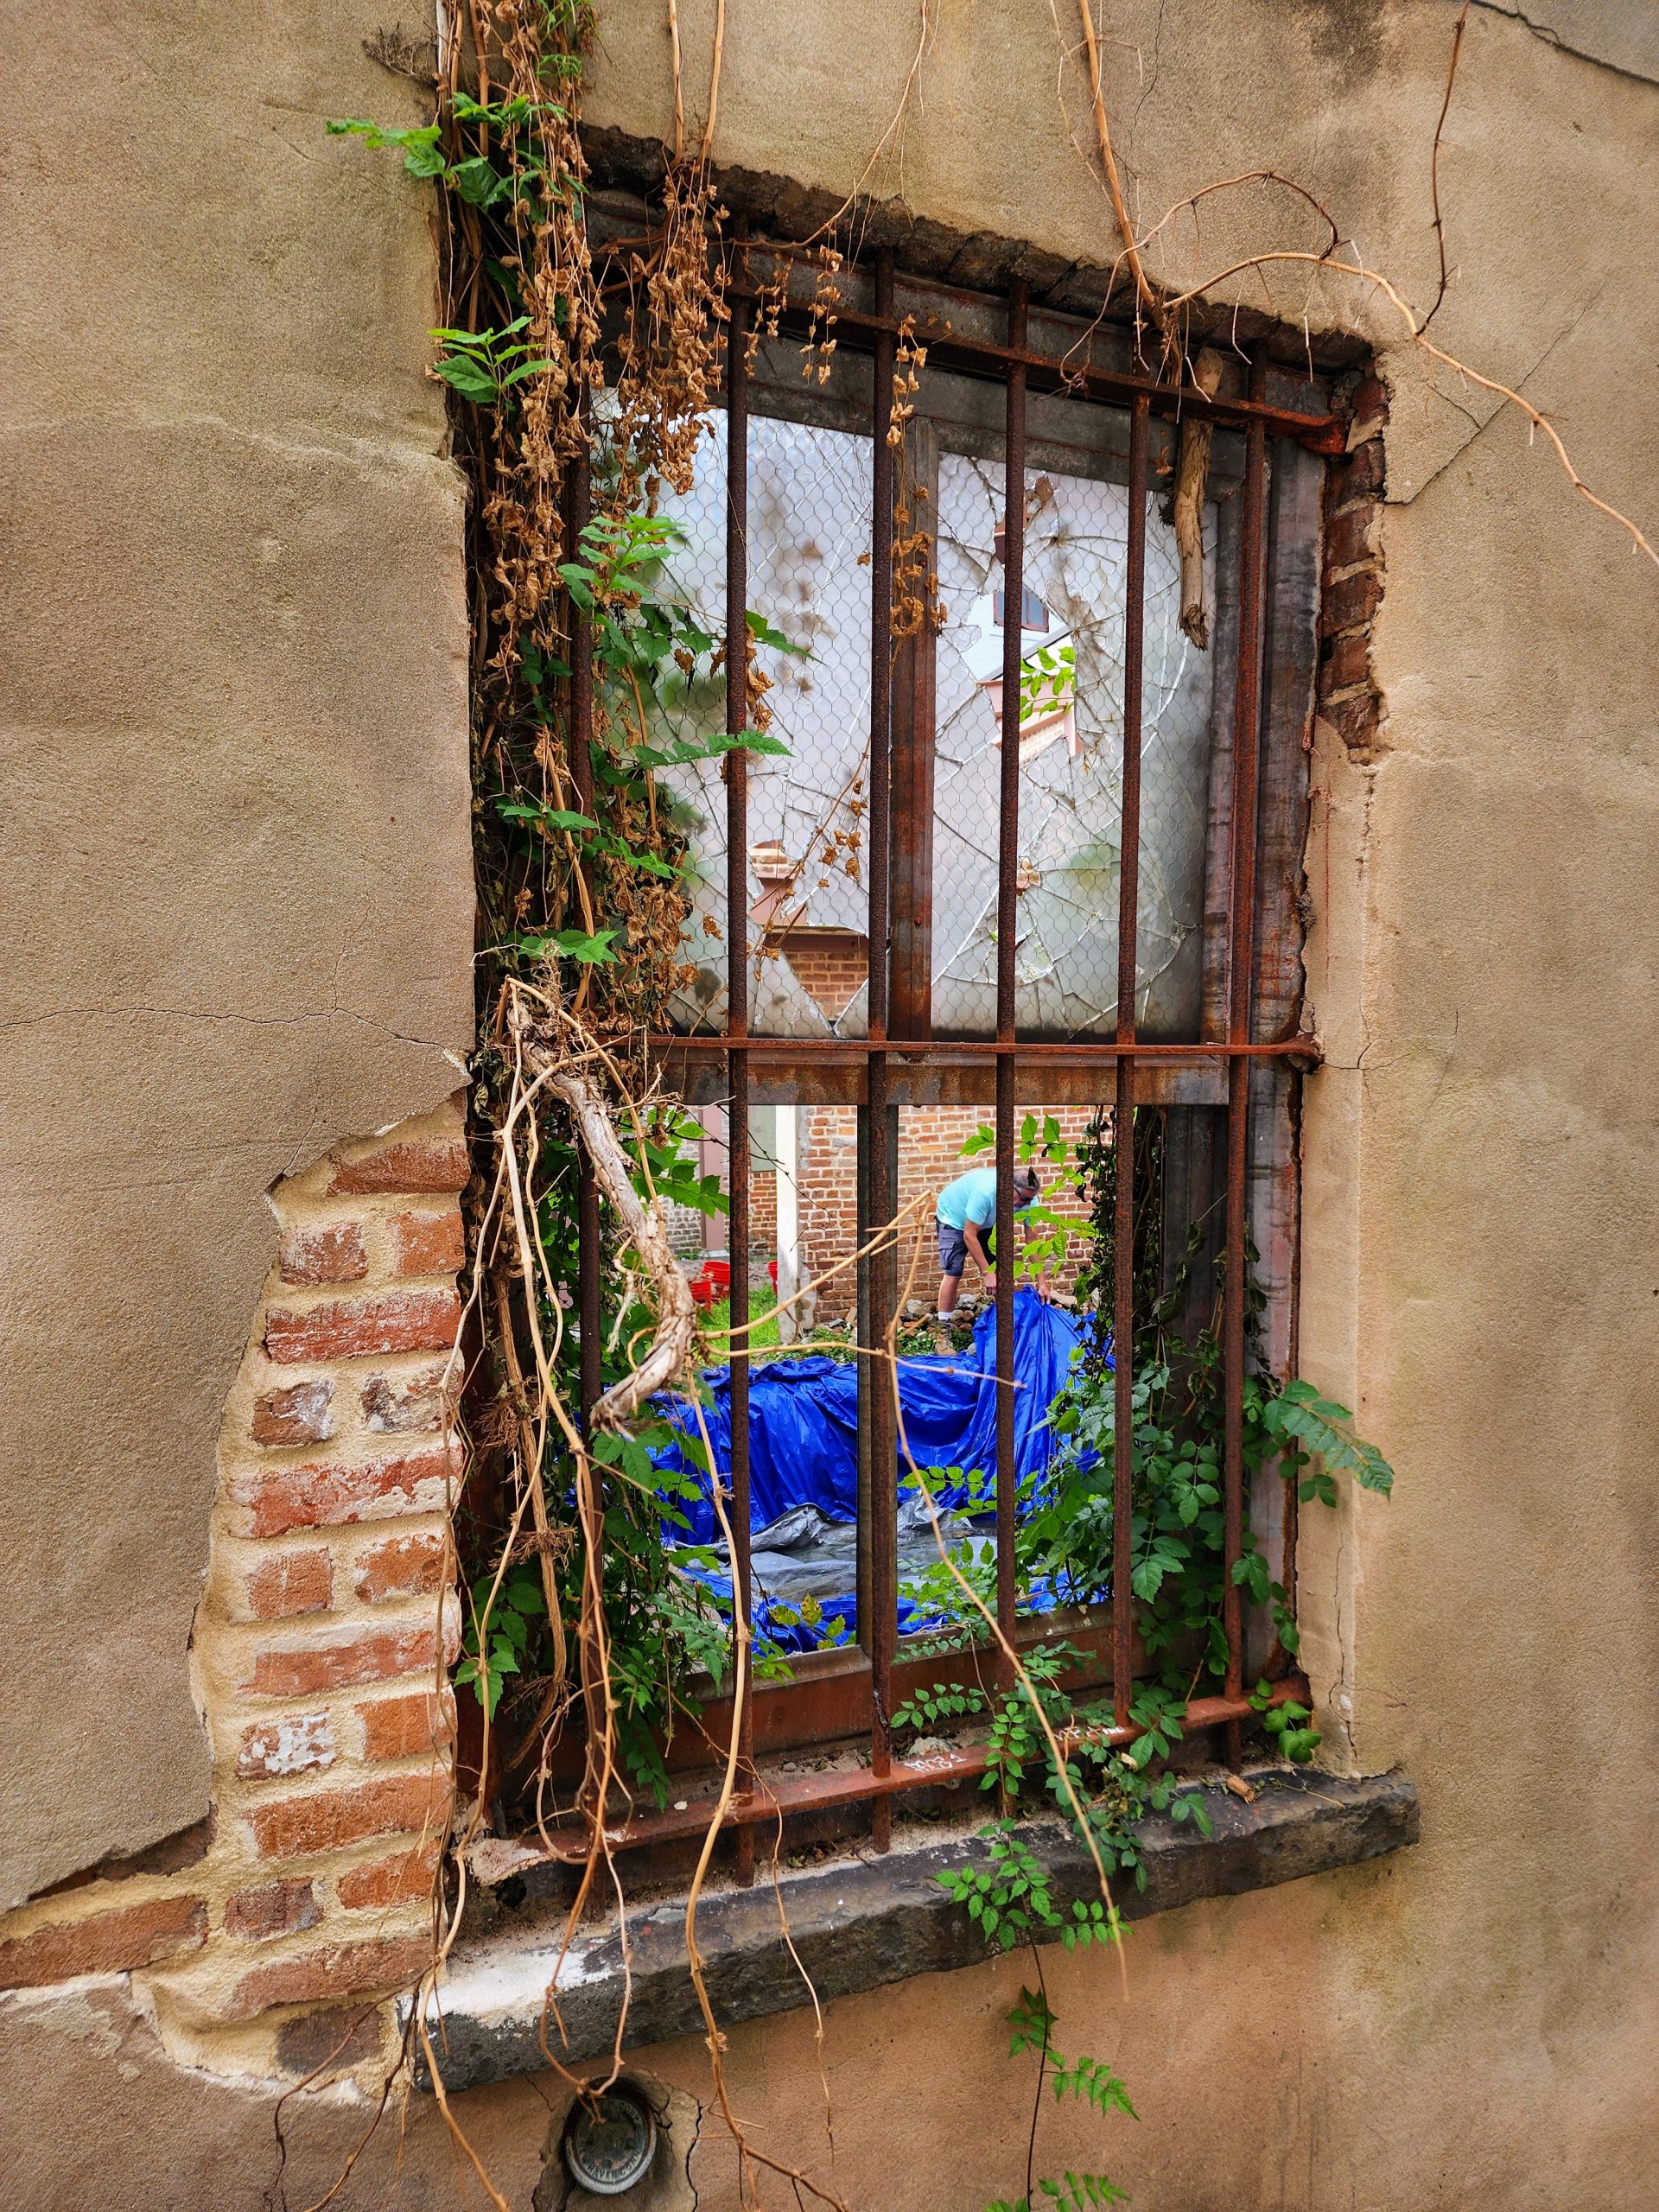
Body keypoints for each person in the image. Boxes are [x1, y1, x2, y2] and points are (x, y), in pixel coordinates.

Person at [934, 1160, 1046, 1322]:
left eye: (1030, 1199)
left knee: (999, 1270)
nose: (1026, 1204)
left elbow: (1032, 1240)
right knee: (953, 1270)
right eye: (1023, 1199)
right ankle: (943, 1331)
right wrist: (986, 1273)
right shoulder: (985, 1192)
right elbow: (969, 1235)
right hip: (953, 1217)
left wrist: (1041, 1283)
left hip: (985, 1221)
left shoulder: (1030, 1200)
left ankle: (1006, 1325)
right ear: (1009, 1188)